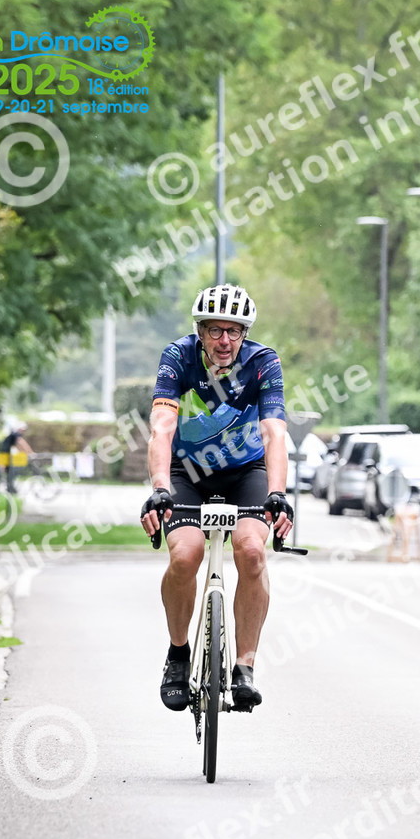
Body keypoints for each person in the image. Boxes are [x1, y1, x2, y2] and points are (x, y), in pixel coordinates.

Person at [139, 284, 295, 712]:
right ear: (200, 332)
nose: (225, 340)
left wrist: (278, 494)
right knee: (185, 555)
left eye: (234, 331)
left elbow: (274, 432)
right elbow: (162, 427)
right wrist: (159, 488)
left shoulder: (263, 362)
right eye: (214, 331)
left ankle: (244, 667)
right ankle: (178, 653)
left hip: (247, 471)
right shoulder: (178, 357)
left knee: (252, 552)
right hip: (187, 473)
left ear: (245, 333)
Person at [0, 419, 33, 495]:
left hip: (5, 455)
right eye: (22, 429)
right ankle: (7, 488)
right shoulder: (16, 434)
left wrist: (26, 453)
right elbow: (22, 444)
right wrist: (30, 453)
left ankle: (10, 488)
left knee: (10, 472)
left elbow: (19, 447)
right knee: (7, 473)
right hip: (4, 456)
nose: (23, 431)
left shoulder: (13, 435)